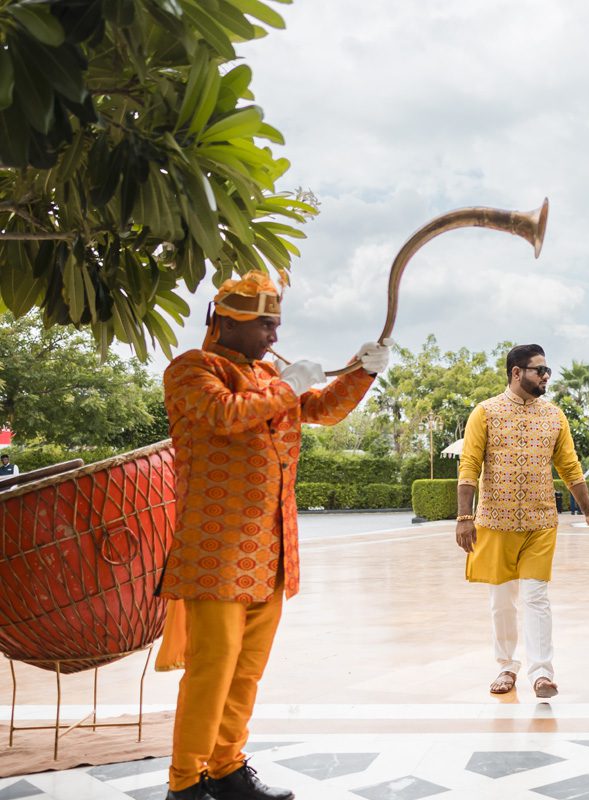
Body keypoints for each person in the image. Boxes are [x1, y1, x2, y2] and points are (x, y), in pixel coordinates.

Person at [157, 272, 390, 800]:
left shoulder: (268, 374)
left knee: (246, 674)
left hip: (270, 551)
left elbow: (323, 410)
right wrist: (287, 386)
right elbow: (222, 415)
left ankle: (227, 768)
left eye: (276, 325)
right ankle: (185, 782)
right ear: (229, 322)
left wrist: (361, 372)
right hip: (215, 555)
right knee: (210, 672)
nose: (274, 338)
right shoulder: (192, 370)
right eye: (266, 325)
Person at [455, 344, 589, 698]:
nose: (546, 376)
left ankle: (542, 673)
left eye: (547, 370)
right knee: (502, 599)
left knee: (536, 596)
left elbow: (570, 467)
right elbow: (469, 464)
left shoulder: (554, 416)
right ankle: (506, 666)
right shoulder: (485, 413)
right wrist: (463, 516)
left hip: (540, 520)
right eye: (539, 370)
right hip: (494, 521)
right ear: (516, 373)